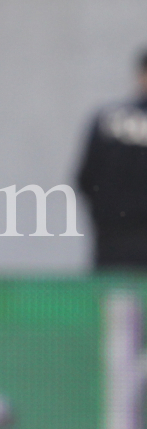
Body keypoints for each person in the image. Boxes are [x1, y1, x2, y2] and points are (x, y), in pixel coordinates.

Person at [77, 49, 147, 270]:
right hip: (117, 240)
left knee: (120, 300)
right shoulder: (109, 120)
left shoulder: (107, 119)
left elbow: (85, 179)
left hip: (114, 243)